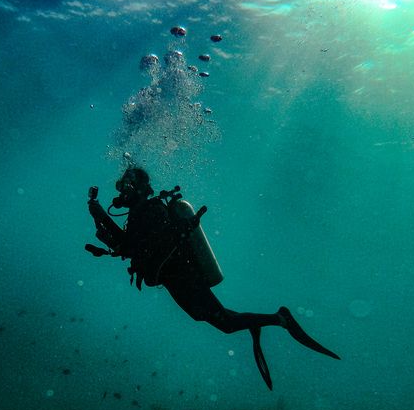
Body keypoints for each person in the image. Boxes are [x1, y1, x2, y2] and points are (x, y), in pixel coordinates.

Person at [86, 167, 340, 391]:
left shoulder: (150, 210)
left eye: (126, 186)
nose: (122, 192)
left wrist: (101, 215)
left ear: (140, 188)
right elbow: (126, 246)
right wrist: (98, 215)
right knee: (213, 318)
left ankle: (280, 318)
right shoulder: (139, 215)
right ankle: (256, 322)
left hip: (182, 276)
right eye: (121, 186)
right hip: (175, 278)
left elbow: (132, 247)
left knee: (226, 323)